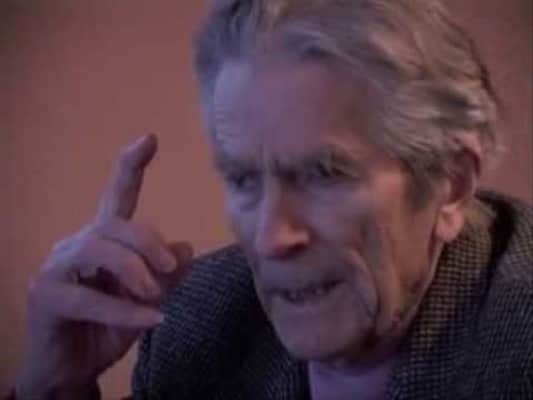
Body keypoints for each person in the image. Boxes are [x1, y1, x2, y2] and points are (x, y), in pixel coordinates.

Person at [10, 0, 532, 399]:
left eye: (324, 174)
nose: (269, 238)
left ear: (450, 185)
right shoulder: (196, 324)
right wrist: (55, 390)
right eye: (243, 179)